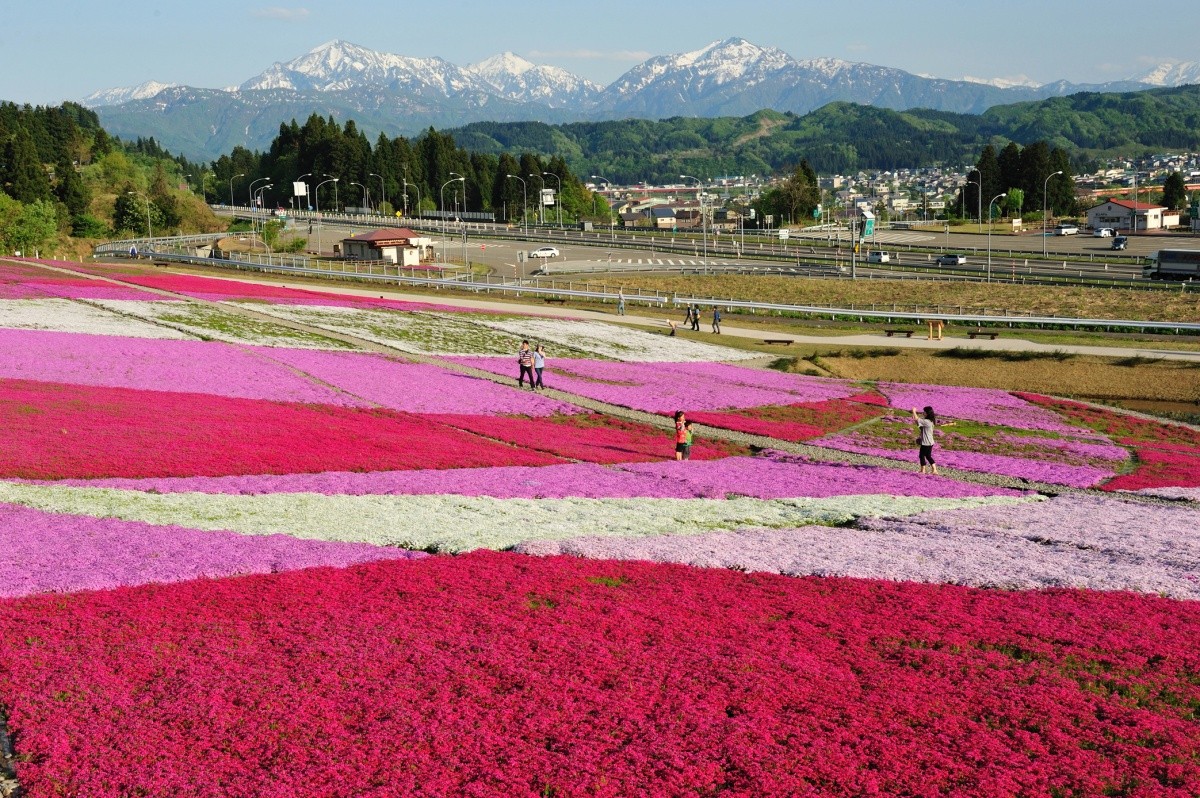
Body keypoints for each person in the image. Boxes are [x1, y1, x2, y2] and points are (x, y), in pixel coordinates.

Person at [912, 405, 955, 475]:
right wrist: (915, 418)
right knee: (928, 456)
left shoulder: (927, 421)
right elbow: (920, 426)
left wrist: (914, 411)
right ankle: (934, 470)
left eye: (924, 412)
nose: (923, 413)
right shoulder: (930, 421)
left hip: (926, 442)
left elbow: (917, 419)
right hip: (930, 442)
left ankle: (923, 470)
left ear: (927, 413)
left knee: (921, 455)